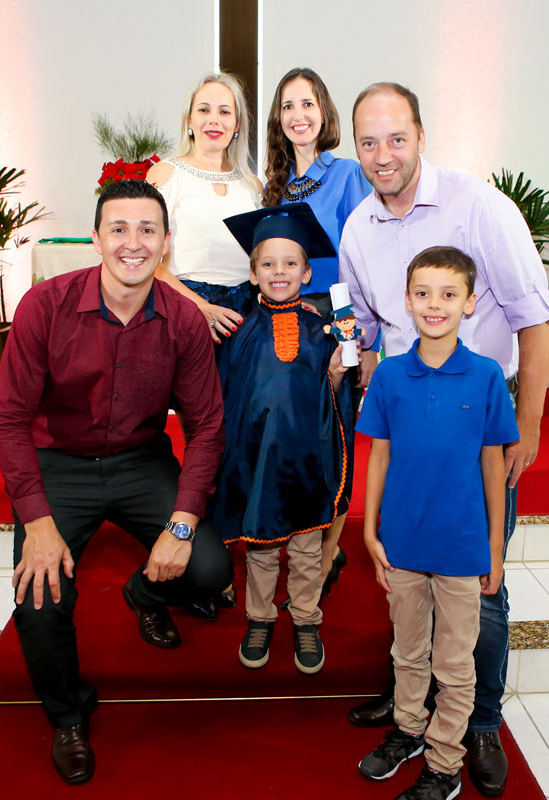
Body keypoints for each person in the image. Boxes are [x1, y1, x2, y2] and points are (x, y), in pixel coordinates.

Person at [339, 82, 549, 797]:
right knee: (408, 580)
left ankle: (480, 723)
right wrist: (358, 370)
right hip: (409, 421)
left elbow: (534, 317)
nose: (383, 155)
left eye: (396, 138)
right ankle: (412, 712)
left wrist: (528, 427)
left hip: (477, 425)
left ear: (421, 136)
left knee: (479, 588)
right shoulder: (359, 228)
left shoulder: (480, 207)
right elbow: (366, 325)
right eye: (368, 142)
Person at [0, 179, 233, 785]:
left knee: (209, 568)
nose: (133, 243)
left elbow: (207, 427)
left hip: (139, 461)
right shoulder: (45, 306)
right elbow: (10, 419)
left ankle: (144, 594)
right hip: (58, 463)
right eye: (119, 229)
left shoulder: (182, 319)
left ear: (166, 242)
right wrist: (37, 522)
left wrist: (182, 524)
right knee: (39, 596)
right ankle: (69, 714)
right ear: (96, 239)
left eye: (147, 230)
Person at [356, 247, 518, 800]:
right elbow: (379, 455)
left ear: (469, 303)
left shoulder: (487, 376)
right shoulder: (390, 375)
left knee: (454, 663)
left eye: (449, 294)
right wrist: (370, 530)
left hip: (461, 546)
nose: (434, 304)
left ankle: (446, 761)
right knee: (407, 650)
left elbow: (493, 467)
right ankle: (408, 729)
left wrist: (494, 549)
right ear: (406, 300)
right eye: (423, 293)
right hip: (402, 541)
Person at [214, 203, 352, 675]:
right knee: (261, 548)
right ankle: (260, 617)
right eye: (268, 264)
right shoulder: (237, 331)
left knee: (308, 552)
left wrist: (338, 371)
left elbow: (330, 395)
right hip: (257, 460)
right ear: (253, 274)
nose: (279, 272)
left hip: (307, 458)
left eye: (290, 263)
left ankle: (306, 618)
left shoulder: (323, 330)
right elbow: (228, 396)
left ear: (307, 272)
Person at [261, 66, 371, 595]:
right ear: (278, 119)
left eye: (307, 104)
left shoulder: (348, 175)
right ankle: (304, 543)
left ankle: (327, 557)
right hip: (285, 323)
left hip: (334, 318)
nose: (298, 115)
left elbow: (361, 263)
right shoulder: (273, 185)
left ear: (324, 113)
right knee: (297, 438)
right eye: (288, 106)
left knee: (336, 437)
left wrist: (354, 342)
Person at [147, 71, 262, 344]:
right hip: (184, 311)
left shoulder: (252, 185)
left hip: (246, 319)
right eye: (204, 109)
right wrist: (201, 307)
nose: (214, 119)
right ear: (189, 119)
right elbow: (148, 258)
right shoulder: (166, 174)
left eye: (224, 111)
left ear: (237, 124)